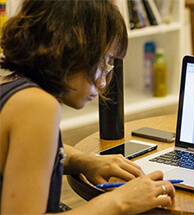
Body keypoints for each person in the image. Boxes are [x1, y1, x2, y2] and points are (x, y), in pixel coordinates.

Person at [0, 1, 175, 214]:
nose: (103, 83)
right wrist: (120, 201)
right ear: (72, 48)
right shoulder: (37, 106)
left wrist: (83, 161)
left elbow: (24, 158)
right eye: (103, 62)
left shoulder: (10, 85)